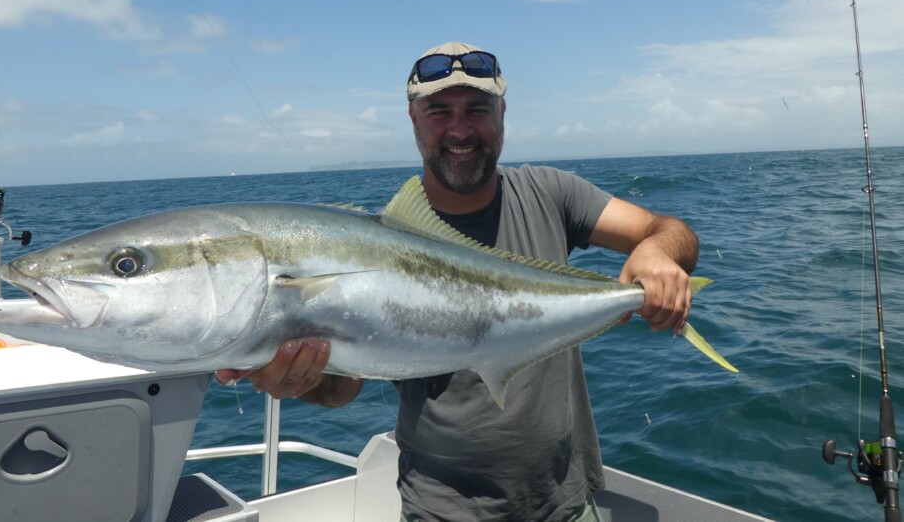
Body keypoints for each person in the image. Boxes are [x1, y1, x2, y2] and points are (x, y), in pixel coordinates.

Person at [215, 41, 699, 522]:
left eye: (477, 109)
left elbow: (670, 231)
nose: (460, 129)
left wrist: (657, 253)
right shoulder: (377, 242)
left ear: (503, 113)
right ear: (413, 119)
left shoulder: (551, 194)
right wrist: (306, 379)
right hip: (439, 511)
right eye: (440, 111)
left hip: (566, 503)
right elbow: (345, 388)